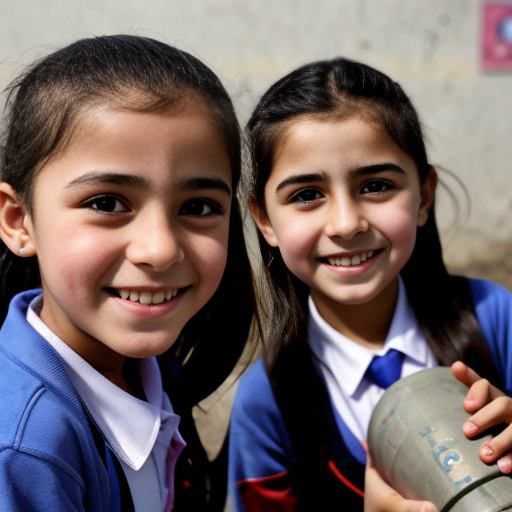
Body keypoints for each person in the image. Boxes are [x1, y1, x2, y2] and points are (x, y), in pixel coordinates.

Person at [227, 57, 512, 512]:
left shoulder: (494, 318)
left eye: (376, 185)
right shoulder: (269, 400)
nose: (345, 224)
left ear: (424, 196)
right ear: (264, 221)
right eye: (306, 195)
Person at [0, 35, 256, 512]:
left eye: (198, 207)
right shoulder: (25, 449)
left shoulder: (152, 372)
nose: (159, 249)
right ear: (18, 220)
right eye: (106, 203)